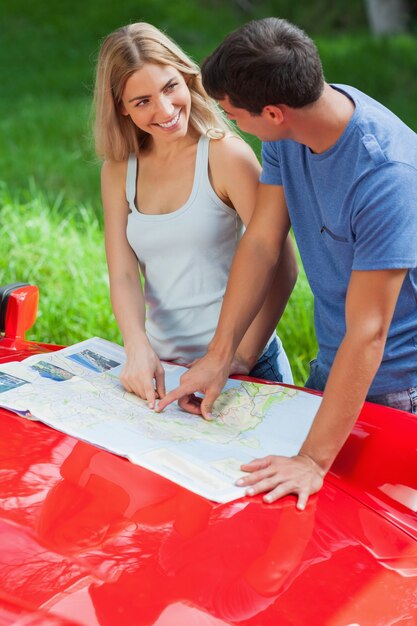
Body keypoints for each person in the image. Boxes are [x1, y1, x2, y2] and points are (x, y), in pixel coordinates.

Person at [158, 18, 417, 508]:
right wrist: (223, 356)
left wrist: (314, 461)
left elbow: (370, 333)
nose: (233, 126)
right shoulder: (291, 129)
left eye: (235, 117)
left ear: (273, 112)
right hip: (333, 363)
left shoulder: (386, 178)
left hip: (397, 386)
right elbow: (262, 243)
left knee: (366, 544)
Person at [93, 22, 297, 409]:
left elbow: (282, 265)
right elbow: (122, 272)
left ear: (187, 79)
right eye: (142, 101)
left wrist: (239, 358)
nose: (166, 110)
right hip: (164, 369)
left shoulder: (226, 156)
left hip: (241, 368)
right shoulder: (119, 170)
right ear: (121, 107)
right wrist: (136, 348)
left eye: (170, 87)